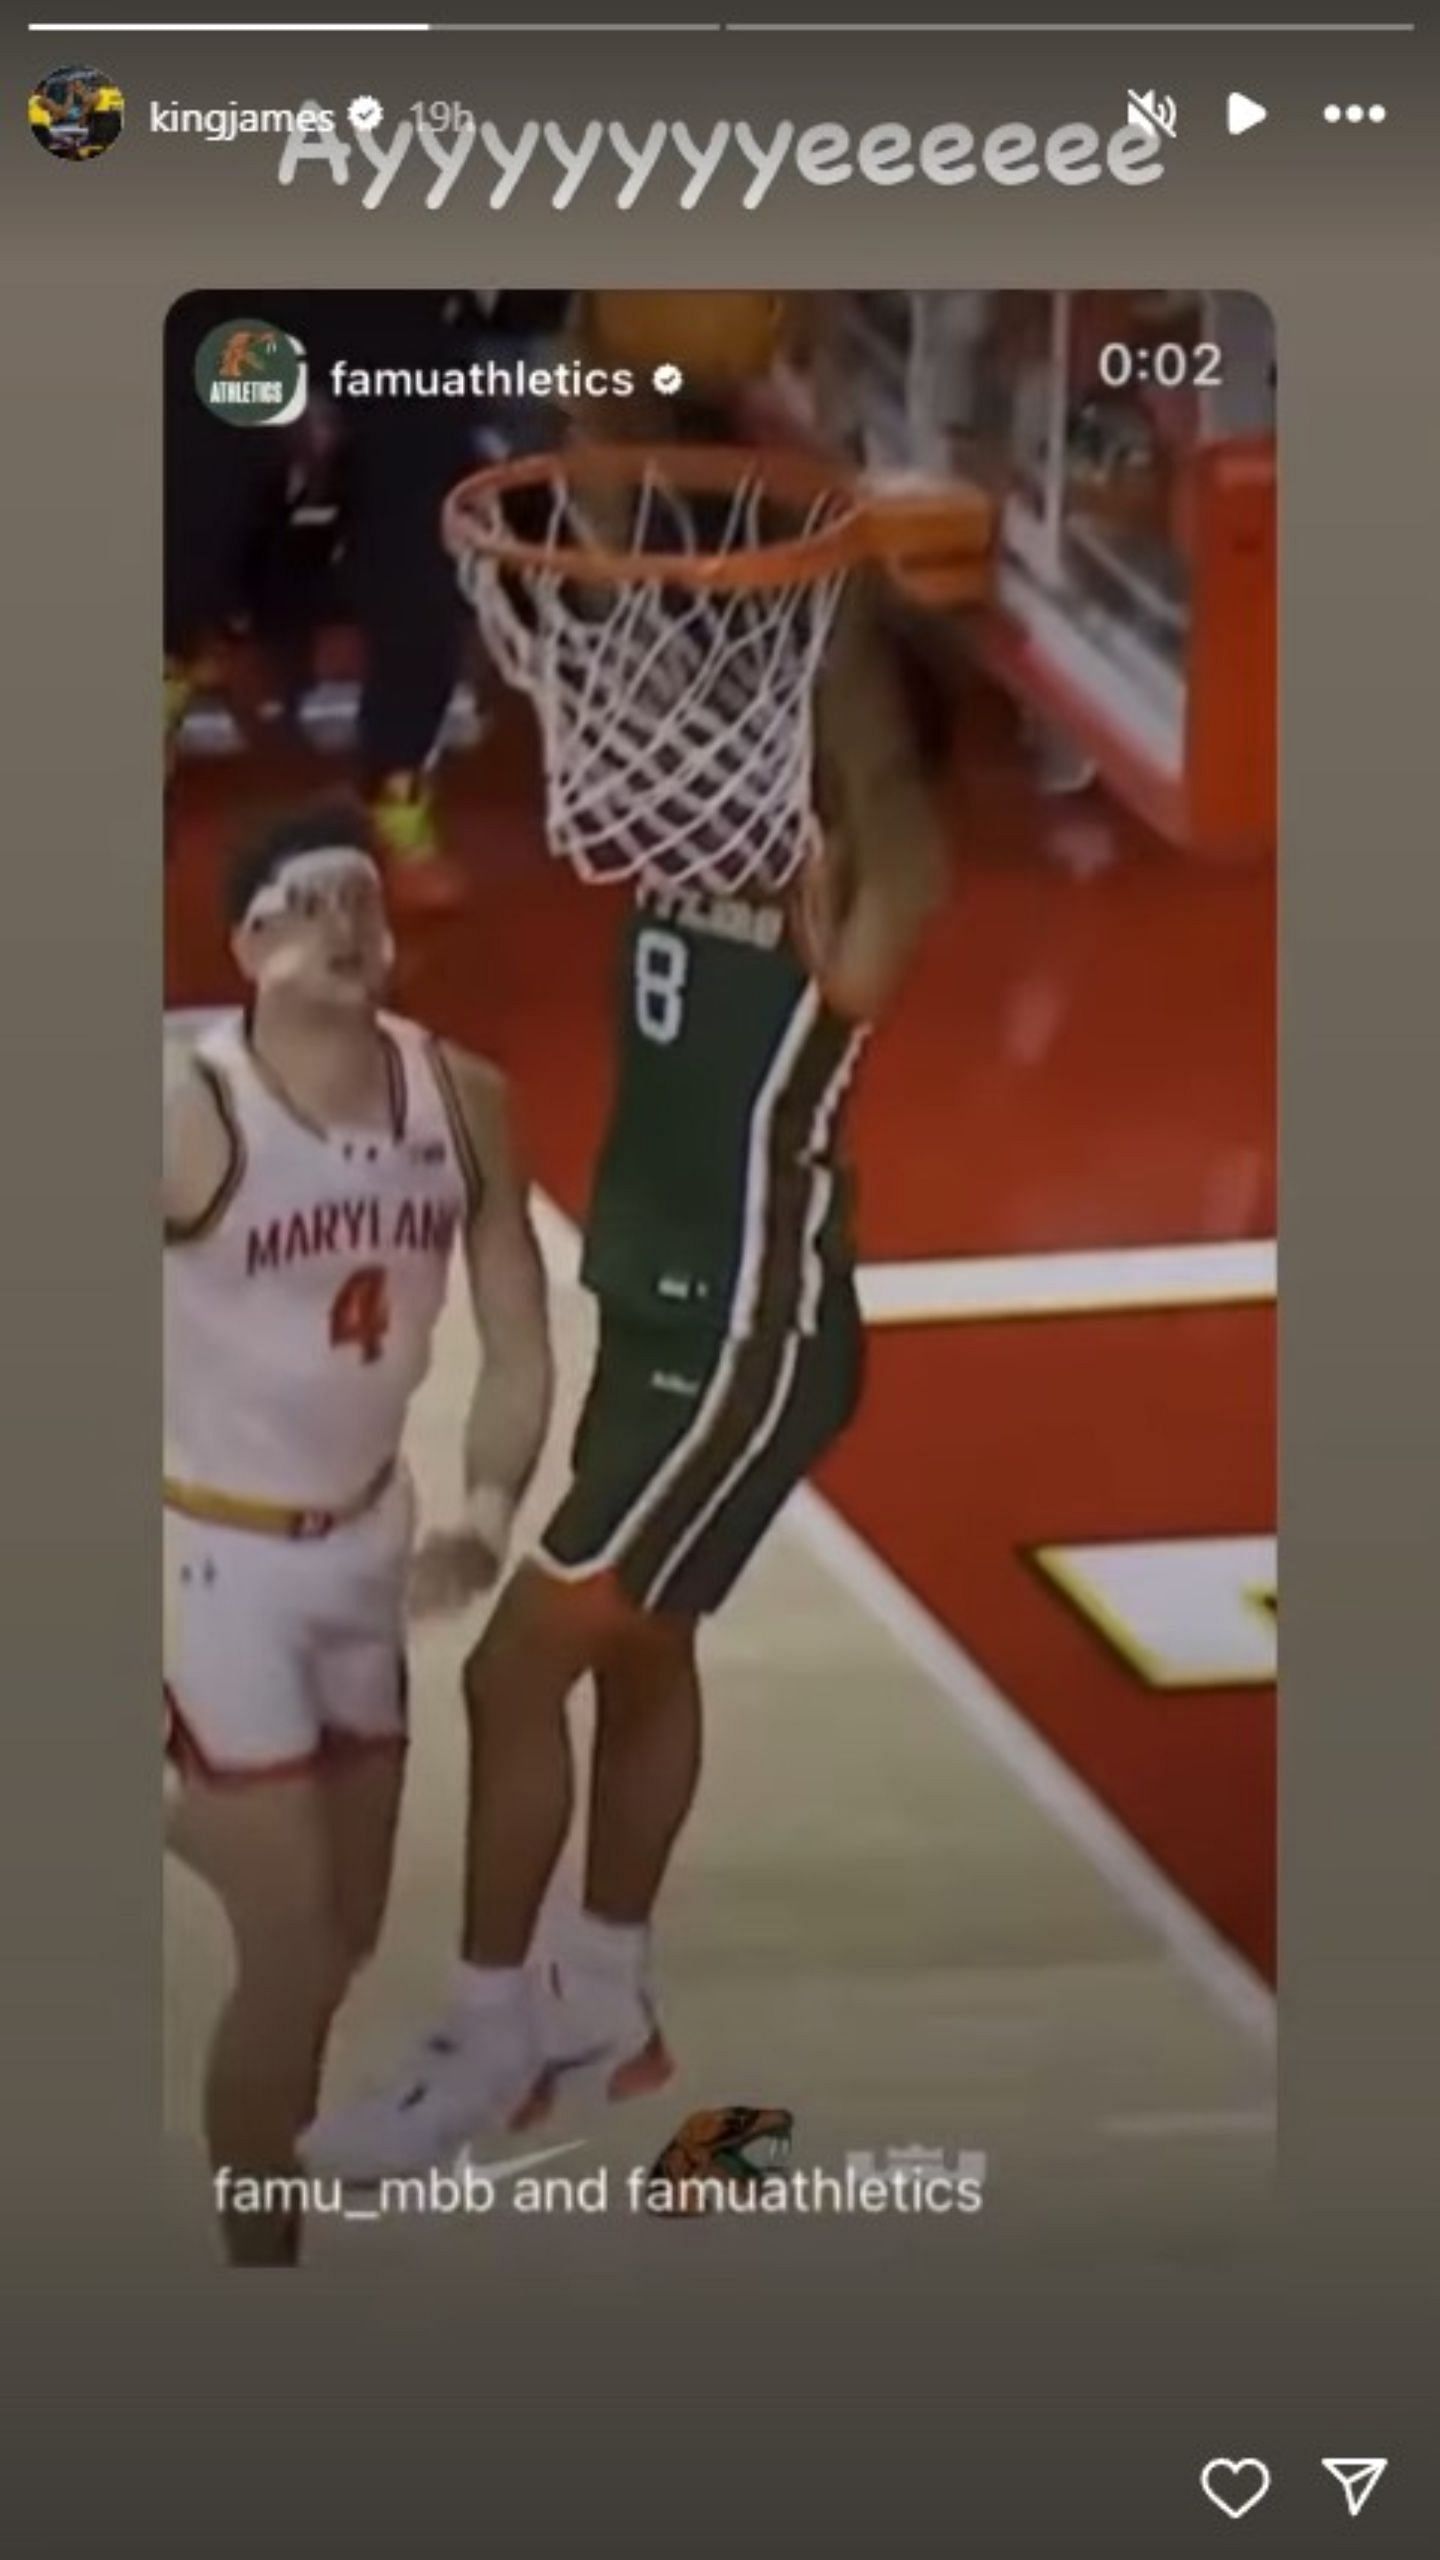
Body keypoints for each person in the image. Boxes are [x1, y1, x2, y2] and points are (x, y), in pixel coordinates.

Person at [300, 370, 953, 2183]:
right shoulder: (716, 807)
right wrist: (605, 447)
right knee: (640, 1649)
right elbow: (625, 620)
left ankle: (494, 2040)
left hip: (750, 1333)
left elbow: (866, 760)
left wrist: (828, 587)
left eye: (793, 642)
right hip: (667, 1317)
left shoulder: (877, 860)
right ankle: (607, 1996)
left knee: (519, 1671)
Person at [164, 798, 553, 2262]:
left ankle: (181, 1800)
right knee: (286, 1953)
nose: (347, 923)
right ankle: (259, 2279)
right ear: (249, 944)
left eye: (367, 903)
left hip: (368, 1551)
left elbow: (517, 1339)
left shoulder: (463, 1100)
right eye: (312, 901)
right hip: (216, 1558)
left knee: (340, 1945)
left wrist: (492, 1504)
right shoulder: (189, 1117)